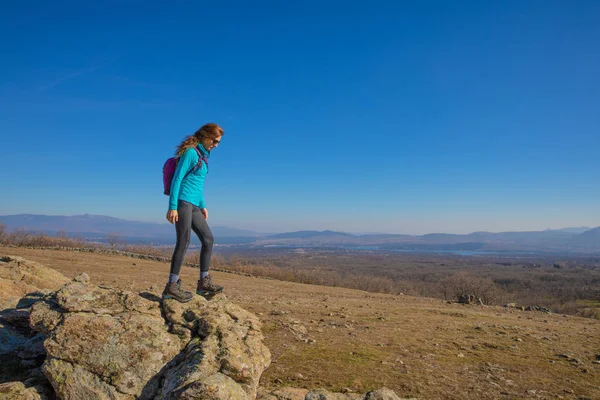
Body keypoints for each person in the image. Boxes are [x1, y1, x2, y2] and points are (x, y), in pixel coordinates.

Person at [163, 123, 224, 302]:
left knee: (208, 239)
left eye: (218, 142)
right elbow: (178, 178)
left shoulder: (203, 157)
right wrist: (172, 206)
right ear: (205, 136)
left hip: (194, 204)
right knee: (184, 241)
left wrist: (203, 204)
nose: (216, 145)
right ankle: (171, 287)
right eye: (215, 141)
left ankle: (203, 282)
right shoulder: (191, 153)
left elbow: (197, 185)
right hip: (182, 202)